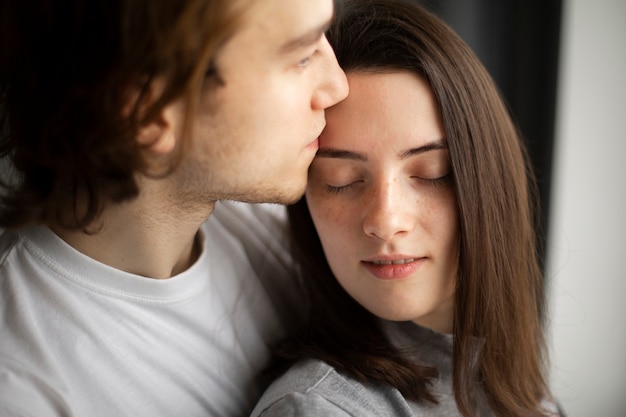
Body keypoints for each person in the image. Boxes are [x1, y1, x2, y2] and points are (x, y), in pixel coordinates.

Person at [0, 0, 348, 415]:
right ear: (151, 111)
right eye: (303, 56)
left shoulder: (280, 220)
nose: (337, 85)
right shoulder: (27, 389)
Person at [251, 0, 562, 416]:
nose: (386, 221)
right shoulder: (318, 408)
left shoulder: (512, 384)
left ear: (488, 181)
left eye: (433, 173)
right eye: (341, 181)